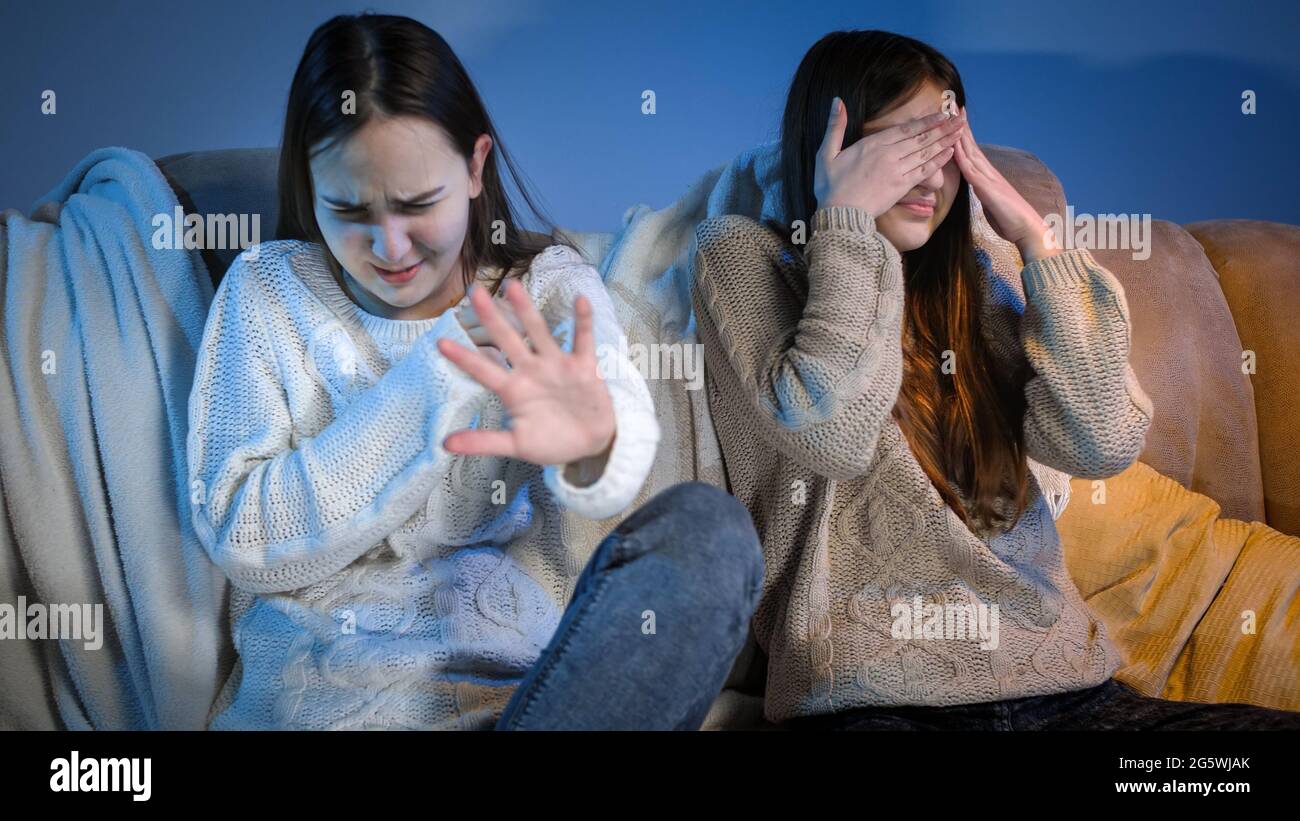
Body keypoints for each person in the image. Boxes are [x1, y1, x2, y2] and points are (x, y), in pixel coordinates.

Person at [689, 29, 1300, 730]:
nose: (926, 177)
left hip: (1066, 689)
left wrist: (1041, 249)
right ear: (829, 151)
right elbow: (833, 433)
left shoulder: (979, 272)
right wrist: (848, 223)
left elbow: (1099, 442)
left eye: (941, 147)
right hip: (870, 697)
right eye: (895, 148)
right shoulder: (742, 257)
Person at [186, 13, 762, 731]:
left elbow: (619, 437)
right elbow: (245, 536)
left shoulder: (549, 286)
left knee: (711, 535)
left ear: (474, 165)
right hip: (331, 711)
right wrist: (430, 384)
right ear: (307, 183)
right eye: (347, 209)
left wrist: (596, 445)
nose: (388, 246)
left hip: (526, 710)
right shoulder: (266, 292)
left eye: (417, 204)